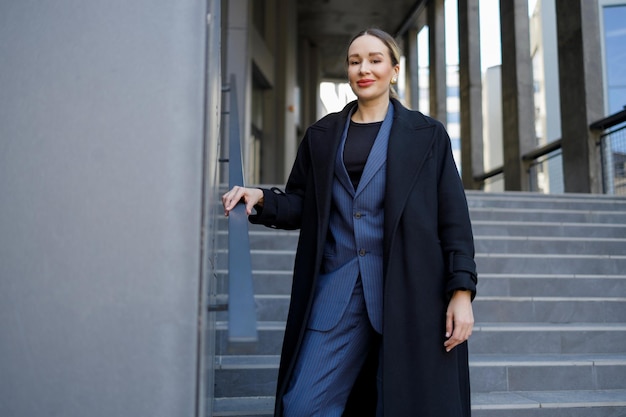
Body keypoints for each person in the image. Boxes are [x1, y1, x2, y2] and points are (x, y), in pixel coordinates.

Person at [222, 28, 477, 417]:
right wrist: (261, 200)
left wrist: (461, 292)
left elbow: (453, 218)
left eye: (375, 60)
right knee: (303, 404)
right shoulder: (321, 136)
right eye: (355, 60)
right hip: (337, 293)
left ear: (394, 70)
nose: (364, 68)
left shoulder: (428, 136)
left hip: (410, 292)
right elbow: (302, 203)